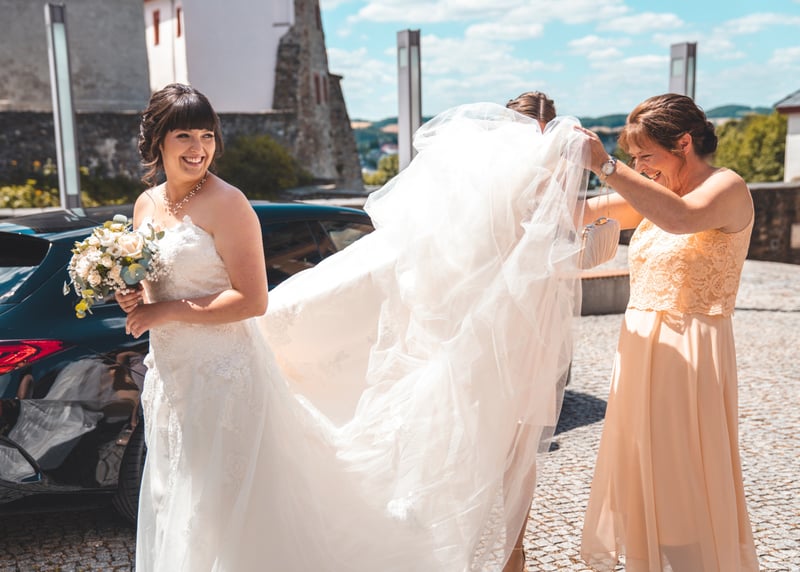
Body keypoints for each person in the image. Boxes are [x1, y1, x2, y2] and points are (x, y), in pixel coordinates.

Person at [118, 83, 590, 571]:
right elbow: (156, 286)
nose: (198, 148)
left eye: (206, 136)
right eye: (184, 136)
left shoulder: (227, 202)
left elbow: (253, 299)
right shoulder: (146, 205)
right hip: (171, 376)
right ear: (158, 140)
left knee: (227, 504)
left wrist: (165, 312)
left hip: (222, 375)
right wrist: (134, 295)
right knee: (176, 493)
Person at [576, 94, 759, 571]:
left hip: (689, 355)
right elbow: (582, 213)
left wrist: (607, 165)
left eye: (646, 156)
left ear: (684, 143)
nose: (640, 168)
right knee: (645, 477)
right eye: (633, 158)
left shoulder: (726, 187)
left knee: (681, 479)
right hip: (639, 355)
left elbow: (681, 220)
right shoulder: (656, 193)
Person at [502, 89, 558, 572]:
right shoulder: (483, 185)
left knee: (521, 452)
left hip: (532, 329)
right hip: (489, 328)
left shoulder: (554, 182)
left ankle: (513, 554)